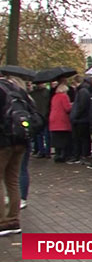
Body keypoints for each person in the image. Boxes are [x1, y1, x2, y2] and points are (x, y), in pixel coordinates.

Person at [0, 75, 34, 235]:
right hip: (21, 141)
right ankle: (13, 220)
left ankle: (2, 221)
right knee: (12, 180)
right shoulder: (19, 92)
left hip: (3, 141)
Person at [49, 78, 72, 163]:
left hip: (53, 119)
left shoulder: (54, 97)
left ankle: (57, 155)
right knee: (63, 139)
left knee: (56, 139)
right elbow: (67, 108)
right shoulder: (64, 96)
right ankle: (63, 156)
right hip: (62, 120)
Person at [29, 82, 50, 158]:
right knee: (43, 135)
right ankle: (45, 152)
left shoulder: (33, 94)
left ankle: (43, 151)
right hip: (43, 115)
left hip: (39, 116)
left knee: (41, 135)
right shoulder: (48, 93)